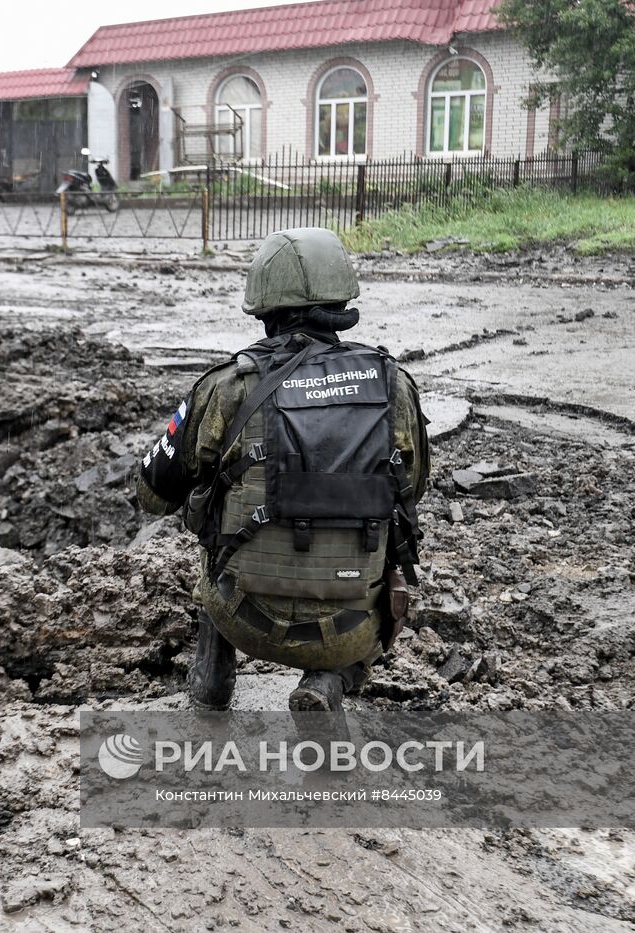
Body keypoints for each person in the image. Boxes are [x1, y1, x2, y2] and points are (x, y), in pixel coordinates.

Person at [136, 227, 431, 713]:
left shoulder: (227, 387)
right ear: (341, 296)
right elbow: (412, 491)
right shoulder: (394, 385)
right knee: (388, 565)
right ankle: (328, 680)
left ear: (263, 302)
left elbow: (152, 495)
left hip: (240, 617)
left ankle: (212, 679)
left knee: (216, 534)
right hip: (351, 629)